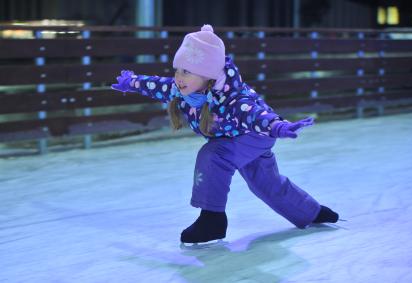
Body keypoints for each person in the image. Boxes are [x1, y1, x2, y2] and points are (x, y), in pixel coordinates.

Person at [111, 24, 339, 245]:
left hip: (255, 133)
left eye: (187, 71)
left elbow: (254, 115)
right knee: (266, 184)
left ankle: (212, 219)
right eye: (178, 69)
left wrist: (278, 126)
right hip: (237, 137)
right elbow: (158, 85)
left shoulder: (232, 98)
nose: (179, 77)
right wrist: (131, 82)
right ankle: (313, 212)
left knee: (214, 156)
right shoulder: (184, 90)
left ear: (208, 75)